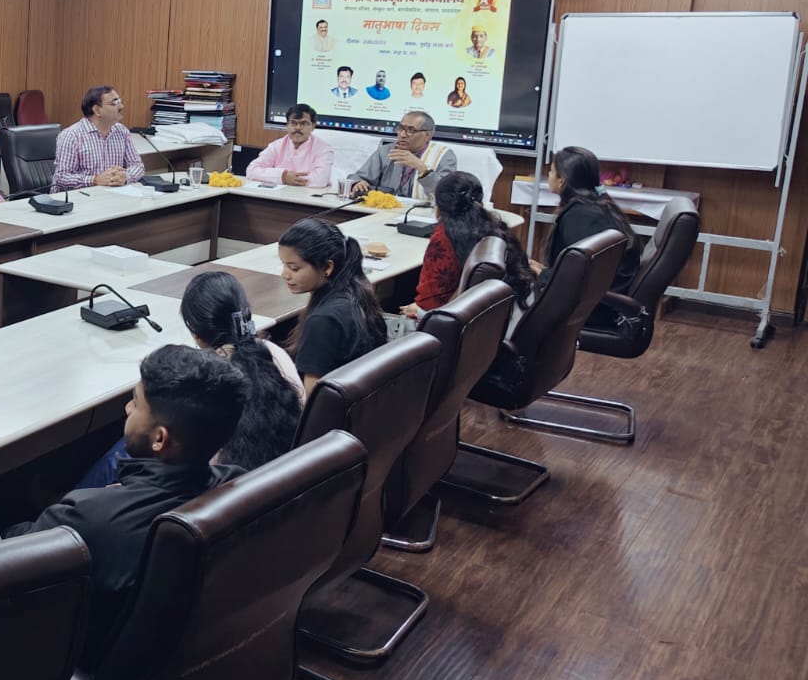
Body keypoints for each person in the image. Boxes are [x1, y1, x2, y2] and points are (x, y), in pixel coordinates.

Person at [7, 345, 247, 669]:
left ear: (159, 439)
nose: (127, 408)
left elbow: (9, 564)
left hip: (73, 665)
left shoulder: (87, 519)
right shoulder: (238, 486)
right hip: (189, 665)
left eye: (136, 402)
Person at [74, 270, 304, 488]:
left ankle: (74, 499)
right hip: (275, 481)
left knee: (124, 448)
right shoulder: (274, 353)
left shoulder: (208, 382)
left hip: (210, 492)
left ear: (195, 331)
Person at [530, 146, 643, 327]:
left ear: (562, 180)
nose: (548, 176)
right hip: (604, 302)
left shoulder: (580, 216)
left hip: (593, 309)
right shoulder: (597, 207)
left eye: (551, 171)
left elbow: (579, 275)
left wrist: (543, 274)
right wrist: (545, 271)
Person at [277, 218, 388, 395]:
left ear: (327, 267)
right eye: (283, 265)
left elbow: (313, 398)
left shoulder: (323, 321)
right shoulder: (357, 293)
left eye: (294, 268)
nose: (285, 275)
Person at [400, 172, 533, 319]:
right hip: (504, 315)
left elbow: (429, 304)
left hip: (450, 322)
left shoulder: (443, 239)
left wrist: (417, 310)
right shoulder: (496, 227)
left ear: (438, 207)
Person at [52, 86, 144, 191]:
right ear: (97, 110)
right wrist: (95, 180)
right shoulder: (72, 136)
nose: (121, 107)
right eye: (114, 103)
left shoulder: (122, 131)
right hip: (78, 197)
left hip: (110, 194)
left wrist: (124, 177)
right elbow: (62, 177)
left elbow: (137, 166)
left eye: (119, 101)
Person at [347, 112, 457, 200]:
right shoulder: (387, 151)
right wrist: (358, 183)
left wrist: (423, 170)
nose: (402, 135)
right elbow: (358, 177)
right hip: (385, 210)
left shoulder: (443, 156)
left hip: (421, 214)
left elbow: (447, 195)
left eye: (411, 131)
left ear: (428, 135)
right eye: (401, 128)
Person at [247, 103, 334, 188]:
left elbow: (320, 180)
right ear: (287, 125)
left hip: (308, 196)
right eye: (293, 123)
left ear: (313, 126)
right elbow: (251, 170)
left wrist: (290, 179)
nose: (298, 128)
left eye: (303, 123)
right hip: (278, 195)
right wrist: (283, 177)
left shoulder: (323, 149)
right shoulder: (277, 146)